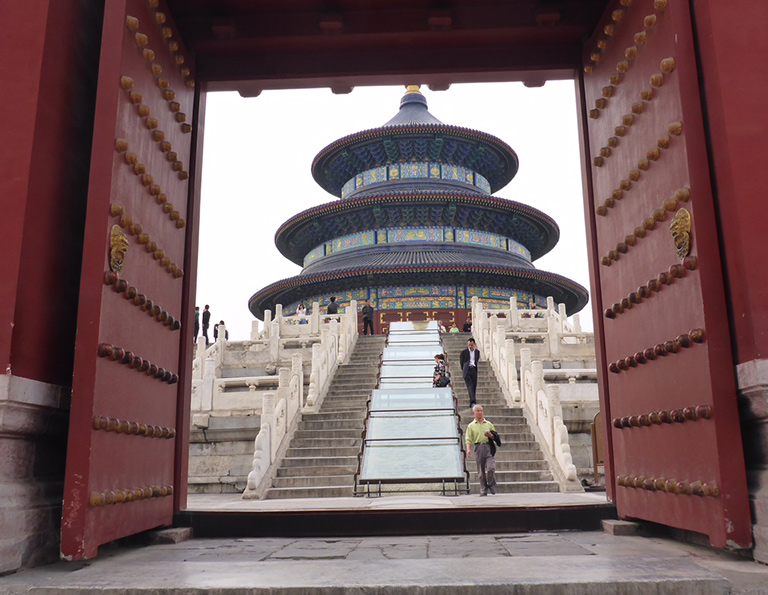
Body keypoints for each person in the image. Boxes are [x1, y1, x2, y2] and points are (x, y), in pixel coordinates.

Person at [465, 404, 499, 496]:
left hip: (488, 447)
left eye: (481, 411)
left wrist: (491, 436)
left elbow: (495, 436)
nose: (480, 413)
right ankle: (483, 489)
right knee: (481, 470)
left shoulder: (488, 424)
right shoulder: (471, 426)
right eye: (478, 411)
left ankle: (491, 484)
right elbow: (468, 439)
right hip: (478, 447)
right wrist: (468, 449)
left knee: (491, 468)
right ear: (474, 413)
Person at [459, 337, 481, 407]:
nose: (470, 346)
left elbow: (476, 360)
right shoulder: (464, 352)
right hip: (467, 370)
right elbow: (461, 362)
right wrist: (464, 370)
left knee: (474, 386)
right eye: (469, 345)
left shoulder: (477, 352)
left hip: (474, 370)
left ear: (474, 344)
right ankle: (473, 401)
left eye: (471, 345)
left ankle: (473, 401)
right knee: (470, 386)